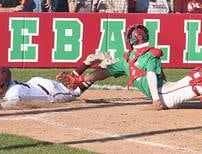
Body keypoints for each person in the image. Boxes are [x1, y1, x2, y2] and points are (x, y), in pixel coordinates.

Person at [56, 24, 202, 110]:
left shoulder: (126, 59)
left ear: (130, 40)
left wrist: (81, 78)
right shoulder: (151, 53)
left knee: (198, 75)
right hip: (164, 96)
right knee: (198, 78)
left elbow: (103, 73)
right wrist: (156, 99)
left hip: (165, 91)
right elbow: (151, 75)